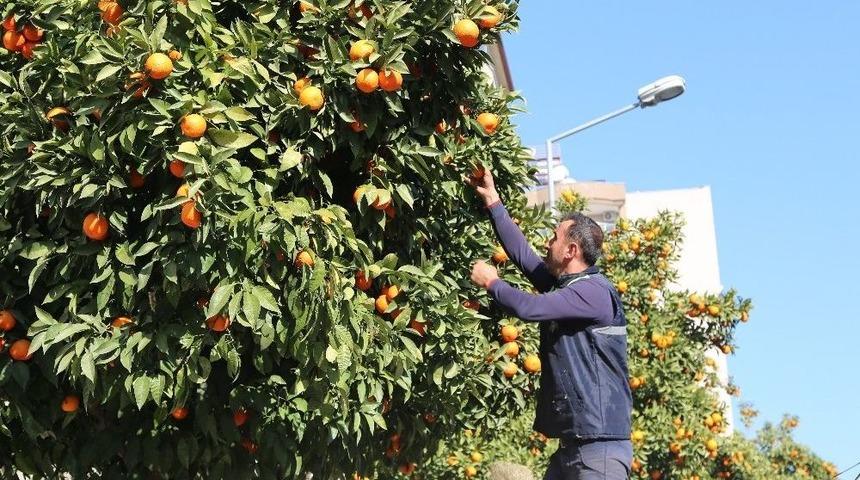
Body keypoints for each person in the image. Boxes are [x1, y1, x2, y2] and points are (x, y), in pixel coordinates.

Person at [469, 169, 633, 480]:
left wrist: (492, 283)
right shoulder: (570, 288)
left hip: (601, 450)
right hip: (573, 448)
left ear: (572, 251)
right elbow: (524, 257)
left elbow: (531, 308)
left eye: (554, 238)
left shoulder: (593, 292)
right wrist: (493, 201)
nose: (548, 242)